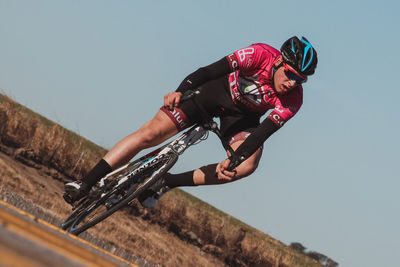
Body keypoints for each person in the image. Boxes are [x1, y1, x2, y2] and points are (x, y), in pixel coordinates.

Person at [64, 36, 318, 208]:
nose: (293, 83)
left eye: (301, 80)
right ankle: (85, 182)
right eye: (292, 74)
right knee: (150, 134)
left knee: (247, 165)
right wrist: (178, 91)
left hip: (242, 118)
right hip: (213, 92)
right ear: (277, 62)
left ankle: (167, 182)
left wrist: (235, 160)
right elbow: (208, 71)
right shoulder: (259, 54)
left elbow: (262, 133)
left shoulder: (294, 99)